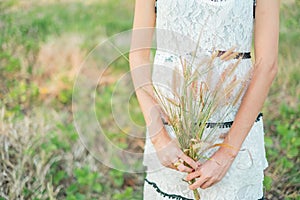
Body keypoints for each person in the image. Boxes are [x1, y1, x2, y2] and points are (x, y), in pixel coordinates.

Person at [129, 0, 279, 199]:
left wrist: (227, 153)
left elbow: (266, 65)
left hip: (231, 132)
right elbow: (138, 55)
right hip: (170, 134)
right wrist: (160, 138)